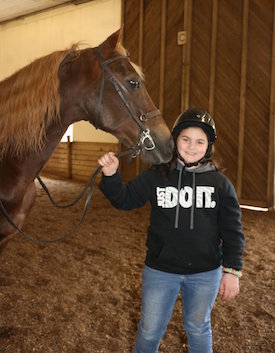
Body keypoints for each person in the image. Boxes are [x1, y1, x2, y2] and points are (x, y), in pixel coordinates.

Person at [98, 108, 245, 353]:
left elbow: (233, 231)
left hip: (205, 273)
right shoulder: (158, 175)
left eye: (200, 141)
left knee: (199, 328)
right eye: (185, 139)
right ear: (175, 141)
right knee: (149, 329)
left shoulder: (220, 184)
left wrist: (232, 270)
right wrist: (111, 176)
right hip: (160, 271)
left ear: (208, 147)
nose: (191, 146)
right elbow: (125, 199)